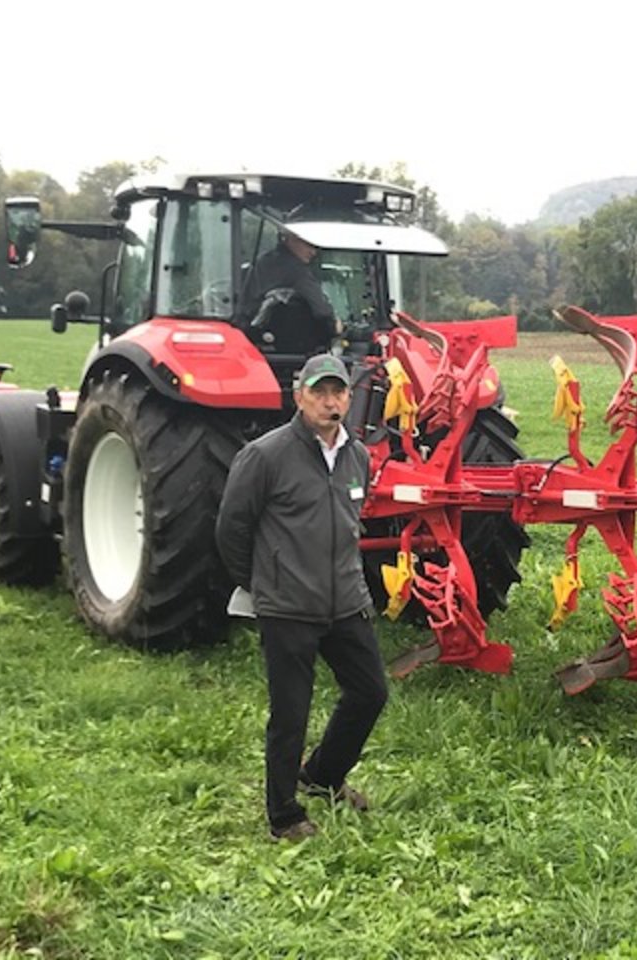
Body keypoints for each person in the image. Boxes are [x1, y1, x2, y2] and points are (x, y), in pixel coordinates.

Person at [216, 352, 387, 842]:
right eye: (319, 392)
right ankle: (284, 814)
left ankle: (323, 776)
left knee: (370, 692)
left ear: (349, 398)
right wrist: (264, 584)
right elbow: (231, 529)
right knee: (291, 713)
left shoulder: (357, 457)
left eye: (338, 392)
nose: (329, 402)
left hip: (345, 601)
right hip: (288, 607)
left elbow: (349, 523)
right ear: (299, 397)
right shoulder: (266, 456)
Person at [240, 226, 341, 350]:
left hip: (249, 337)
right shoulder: (296, 271)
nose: (313, 252)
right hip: (287, 347)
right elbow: (322, 311)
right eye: (309, 245)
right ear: (291, 237)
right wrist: (334, 326)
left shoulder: (263, 261)